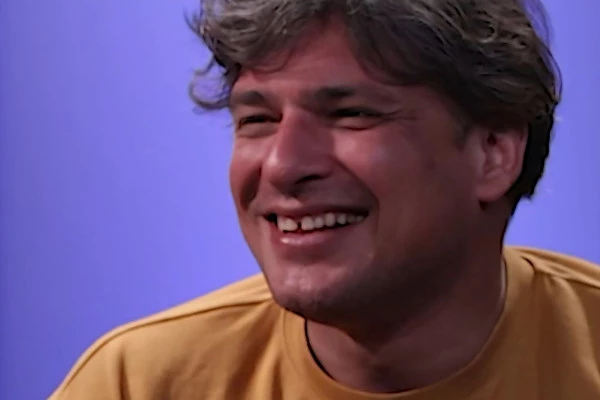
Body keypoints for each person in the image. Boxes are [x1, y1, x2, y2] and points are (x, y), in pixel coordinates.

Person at [50, 0, 600, 399]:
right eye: (257, 120)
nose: (283, 165)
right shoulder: (138, 385)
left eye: (350, 114)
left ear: (494, 152)